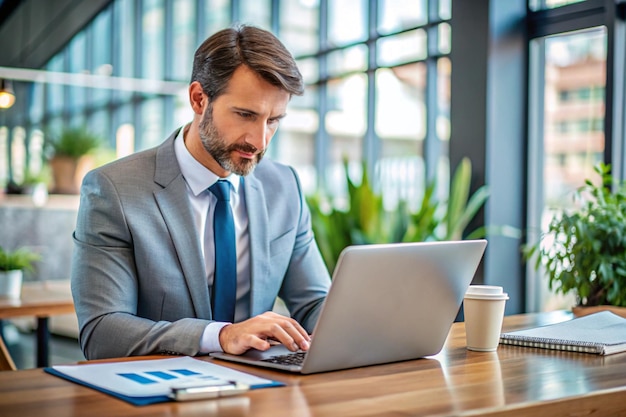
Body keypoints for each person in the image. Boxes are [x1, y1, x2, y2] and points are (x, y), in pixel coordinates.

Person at [70, 25, 332, 360]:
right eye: (245, 115)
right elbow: (101, 332)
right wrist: (220, 337)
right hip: (159, 394)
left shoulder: (284, 187)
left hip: (261, 391)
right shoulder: (114, 190)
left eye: (273, 121)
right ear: (198, 99)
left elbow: (314, 302)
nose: (260, 140)